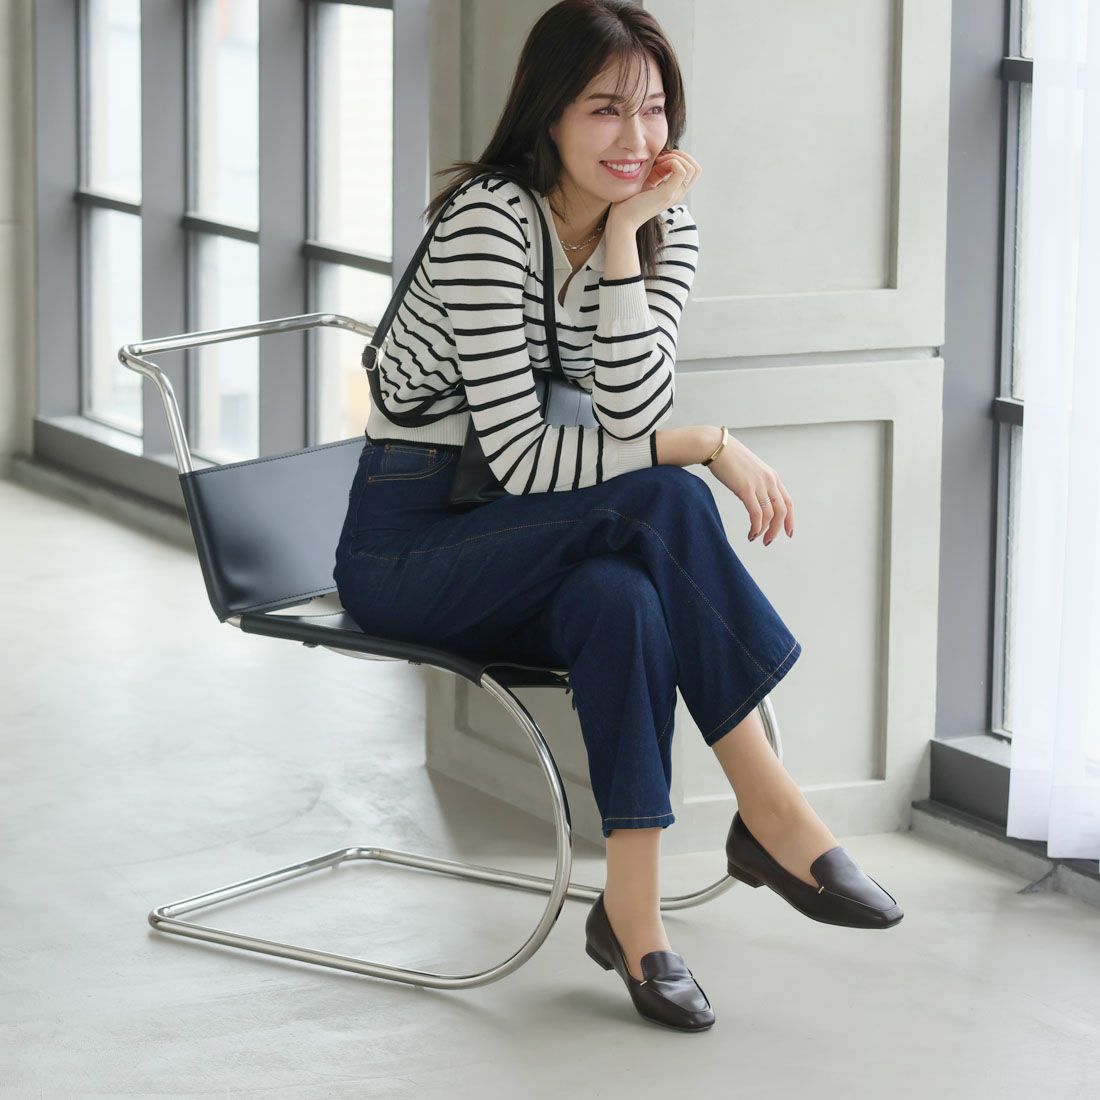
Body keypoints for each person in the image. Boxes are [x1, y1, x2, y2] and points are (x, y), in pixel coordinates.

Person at [334, 0, 902, 1033]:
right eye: (605, 109)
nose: (636, 137)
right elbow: (528, 454)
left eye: (653, 108)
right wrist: (707, 442)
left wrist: (629, 238)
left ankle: (632, 915)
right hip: (410, 544)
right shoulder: (489, 221)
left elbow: (630, 411)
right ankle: (769, 805)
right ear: (548, 113)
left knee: (620, 596)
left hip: (540, 533)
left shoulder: (661, 222)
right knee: (668, 491)